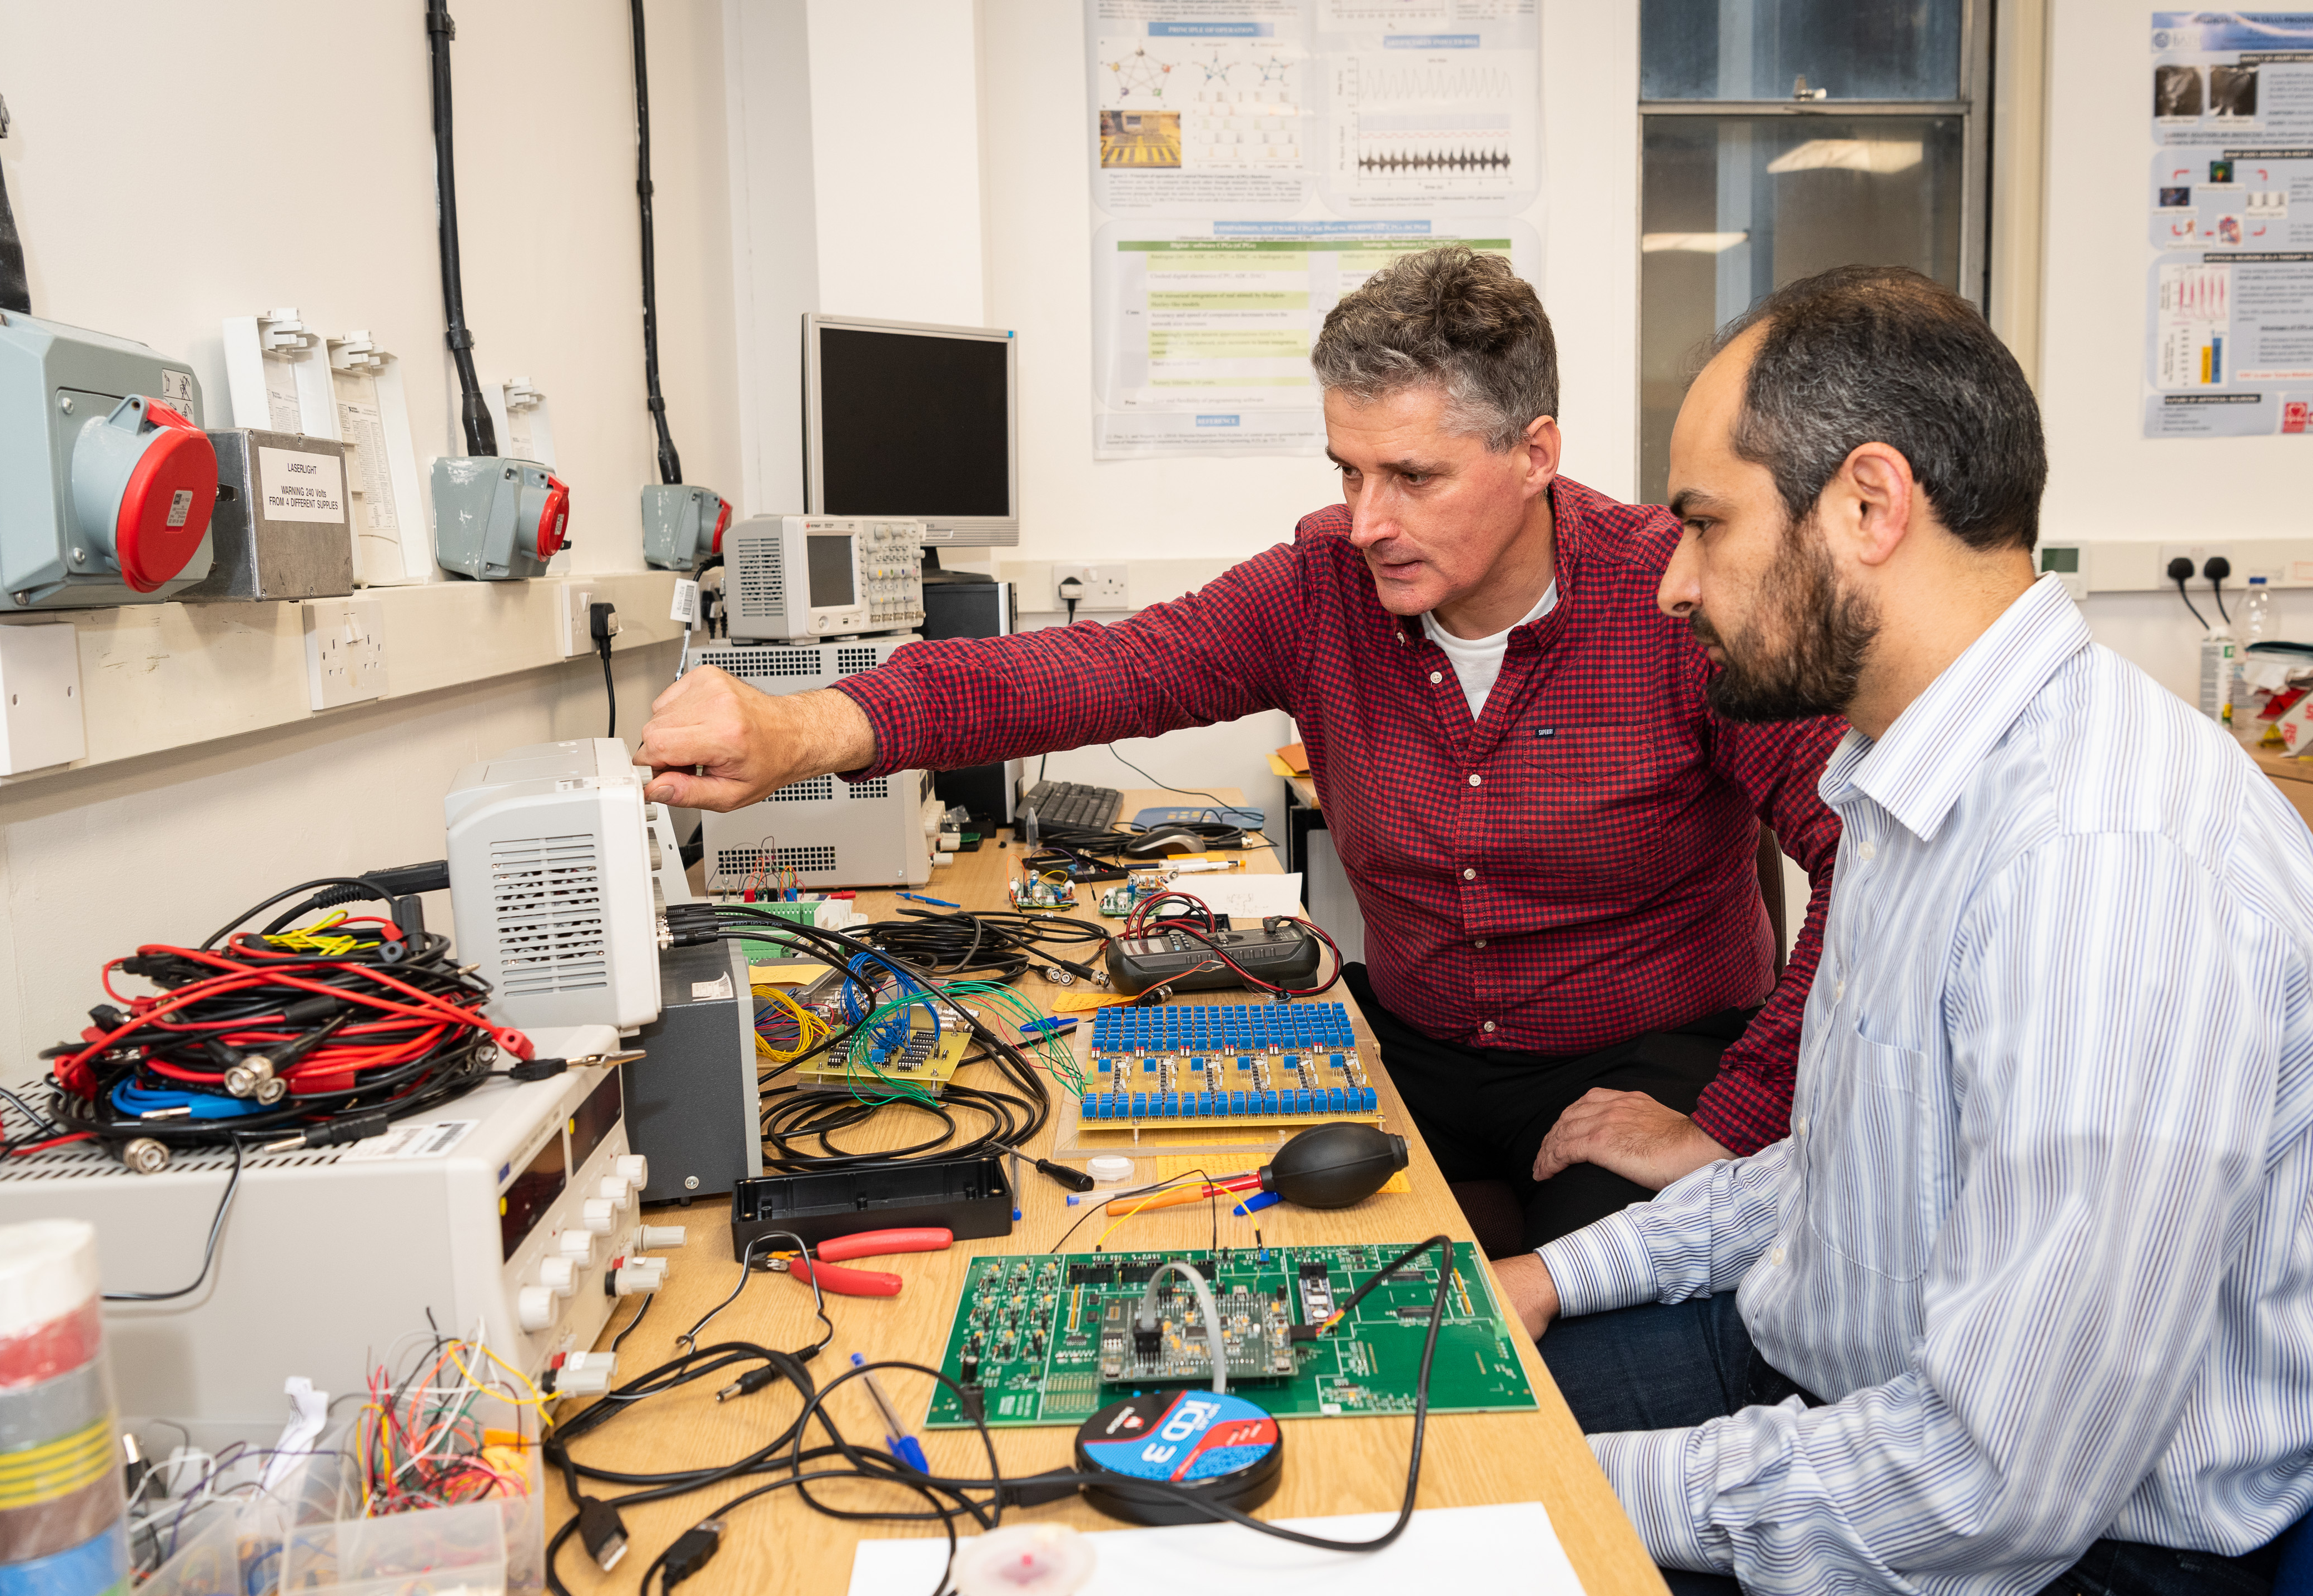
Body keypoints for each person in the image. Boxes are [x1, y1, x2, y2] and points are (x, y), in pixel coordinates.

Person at [638, 246, 1844, 1246]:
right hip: (1416, 1051)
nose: (1366, 522)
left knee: (1576, 1358)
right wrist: (808, 725)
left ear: (1535, 454)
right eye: (1349, 470)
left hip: (1645, 1065)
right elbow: (1099, 671)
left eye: (1414, 476)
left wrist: (1733, 1115)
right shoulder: (1321, 589)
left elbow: (1865, 858)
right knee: (1227, 1243)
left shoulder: (1677, 597)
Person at [1503, 265, 2313, 1595]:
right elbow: (1848, 1171)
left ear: (1870, 504)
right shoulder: (1903, 774)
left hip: (2066, 1544)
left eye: (1705, 526)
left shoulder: (2102, 867)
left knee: (1444, 1527)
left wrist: (1561, 1492)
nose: (1672, 587)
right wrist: (1552, 1278)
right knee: (1413, 1420)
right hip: (1829, 1377)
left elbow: (1986, 1483)